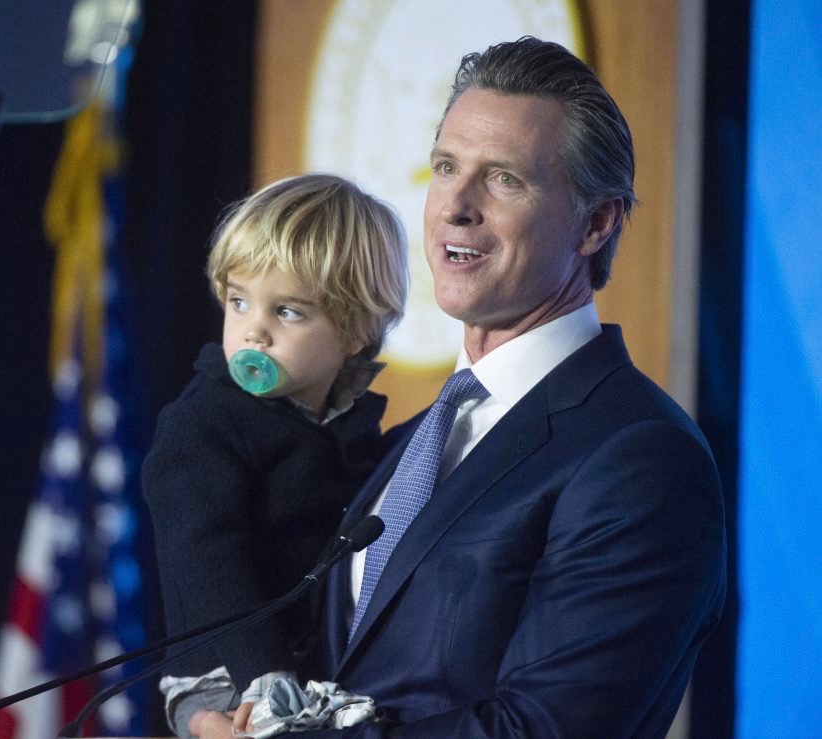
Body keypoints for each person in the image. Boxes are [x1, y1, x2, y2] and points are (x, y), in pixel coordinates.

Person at [191, 36, 726, 738]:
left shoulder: (641, 458)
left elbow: (539, 729)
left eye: (504, 178)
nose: (455, 206)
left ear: (597, 223)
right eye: (446, 167)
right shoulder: (411, 443)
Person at [142, 173, 410, 737]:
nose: (253, 332)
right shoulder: (201, 423)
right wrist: (265, 673)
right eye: (238, 301)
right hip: (230, 671)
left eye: (286, 311)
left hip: (322, 668)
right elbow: (208, 556)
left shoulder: (355, 426)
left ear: (356, 330)